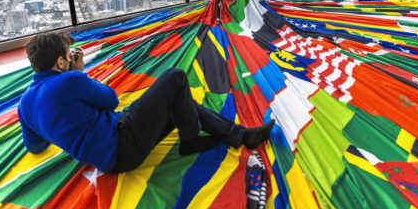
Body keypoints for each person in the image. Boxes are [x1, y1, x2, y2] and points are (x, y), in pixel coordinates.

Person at [18, 32, 275, 173]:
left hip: (111, 160)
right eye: (68, 56)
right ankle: (190, 138)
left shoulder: (24, 105)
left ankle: (241, 136)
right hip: (124, 141)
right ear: (61, 63)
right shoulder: (71, 79)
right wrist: (80, 72)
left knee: (179, 101)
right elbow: (110, 100)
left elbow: (35, 147)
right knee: (176, 77)